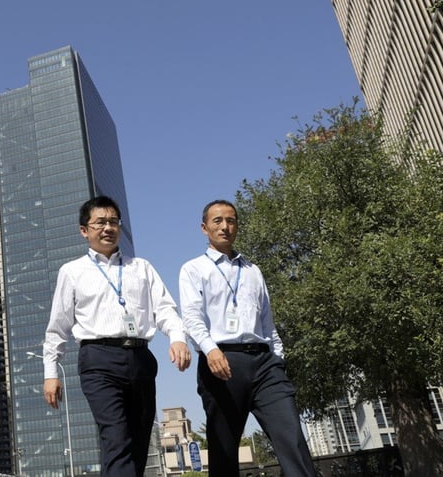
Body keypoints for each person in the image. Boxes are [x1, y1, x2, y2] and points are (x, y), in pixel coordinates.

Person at [43, 195, 191, 477]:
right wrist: (51, 372)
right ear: (84, 230)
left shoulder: (141, 268)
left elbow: (165, 309)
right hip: (99, 360)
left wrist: (177, 337)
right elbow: (58, 326)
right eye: (100, 222)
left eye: (113, 222)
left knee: (137, 441)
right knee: (116, 436)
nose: (108, 228)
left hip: (141, 357)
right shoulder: (72, 272)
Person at [178, 200, 316, 477]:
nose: (225, 227)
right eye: (217, 221)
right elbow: (192, 318)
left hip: (265, 364)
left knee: (292, 437)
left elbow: (267, 321)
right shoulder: (193, 269)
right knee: (224, 450)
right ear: (204, 228)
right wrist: (210, 350)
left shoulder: (253, 270)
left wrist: (277, 359)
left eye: (231, 220)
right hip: (222, 363)